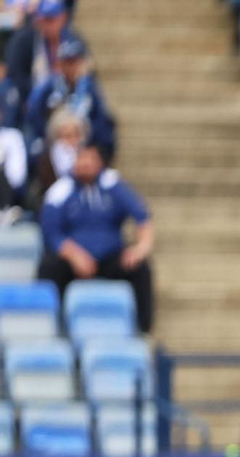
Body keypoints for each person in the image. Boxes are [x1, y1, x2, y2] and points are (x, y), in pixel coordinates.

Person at [38, 142, 154, 331]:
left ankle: (142, 330)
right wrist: (75, 255)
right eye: (81, 158)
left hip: (109, 258)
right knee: (49, 267)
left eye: (90, 159)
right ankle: (53, 327)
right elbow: (51, 232)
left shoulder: (113, 184)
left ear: (100, 162)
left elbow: (143, 218)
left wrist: (140, 249)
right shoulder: (61, 189)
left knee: (140, 268)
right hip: (73, 260)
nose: (85, 164)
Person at [23, 34, 110, 163]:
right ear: (60, 63)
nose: (71, 66)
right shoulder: (49, 86)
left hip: (82, 142)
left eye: (74, 61)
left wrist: (90, 141)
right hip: (53, 144)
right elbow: (34, 112)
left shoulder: (89, 87)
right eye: (67, 61)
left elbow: (99, 118)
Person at [4, 0, 72, 105]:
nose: (48, 25)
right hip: (30, 99)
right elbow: (16, 75)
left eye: (52, 19)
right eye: (44, 20)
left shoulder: (72, 41)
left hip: (64, 99)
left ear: (63, 17)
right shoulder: (23, 41)